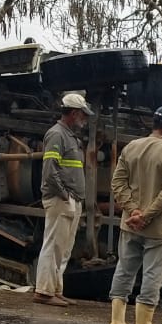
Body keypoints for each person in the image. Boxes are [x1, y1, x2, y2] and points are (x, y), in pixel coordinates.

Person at [108, 105, 162, 324]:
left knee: (124, 269)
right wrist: (146, 216)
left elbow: (117, 183)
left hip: (129, 223)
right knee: (153, 273)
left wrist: (133, 210)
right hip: (157, 227)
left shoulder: (131, 147)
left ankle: (117, 321)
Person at [33, 92, 95, 307]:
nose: (84, 119)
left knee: (64, 249)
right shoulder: (57, 134)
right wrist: (64, 194)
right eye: (83, 114)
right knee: (53, 246)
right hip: (62, 200)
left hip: (71, 199)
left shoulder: (68, 136)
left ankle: (55, 290)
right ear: (74, 113)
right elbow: (50, 171)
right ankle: (44, 291)